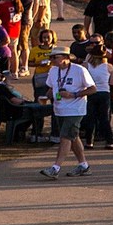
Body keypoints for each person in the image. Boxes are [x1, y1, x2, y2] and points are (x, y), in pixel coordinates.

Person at [40, 46, 95, 179]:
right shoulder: (53, 71)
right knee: (73, 137)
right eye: (51, 57)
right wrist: (46, 97)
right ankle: (84, 165)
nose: (52, 60)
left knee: (65, 137)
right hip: (59, 109)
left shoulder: (79, 70)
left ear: (65, 58)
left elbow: (93, 89)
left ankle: (55, 167)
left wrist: (74, 94)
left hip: (75, 109)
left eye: (55, 57)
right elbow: (52, 87)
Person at [80, 45, 113, 150]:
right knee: (104, 118)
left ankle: (89, 142)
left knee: (90, 118)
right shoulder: (109, 67)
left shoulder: (86, 65)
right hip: (104, 93)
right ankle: (109, 141)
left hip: (90, 92)